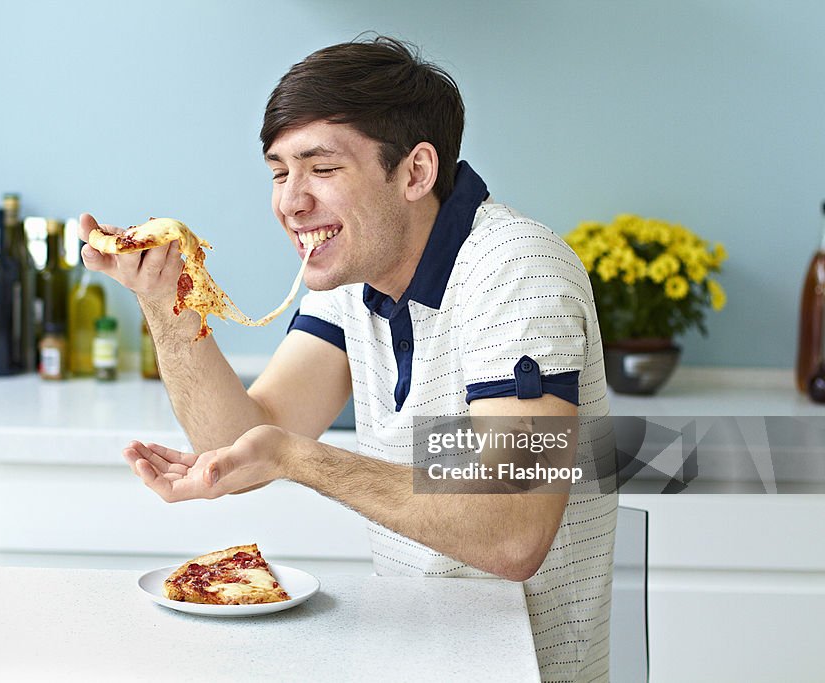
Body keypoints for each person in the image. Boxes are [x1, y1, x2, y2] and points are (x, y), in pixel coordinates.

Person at [79, 36, 617, 683]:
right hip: (407, 655)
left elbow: (509, 528)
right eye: (280, 171)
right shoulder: (355, 281)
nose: (290, 201)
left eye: (321, 168)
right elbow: (235, 441)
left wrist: (297, 456)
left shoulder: (515, 269)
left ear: (415, 172)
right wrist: (166, 302)